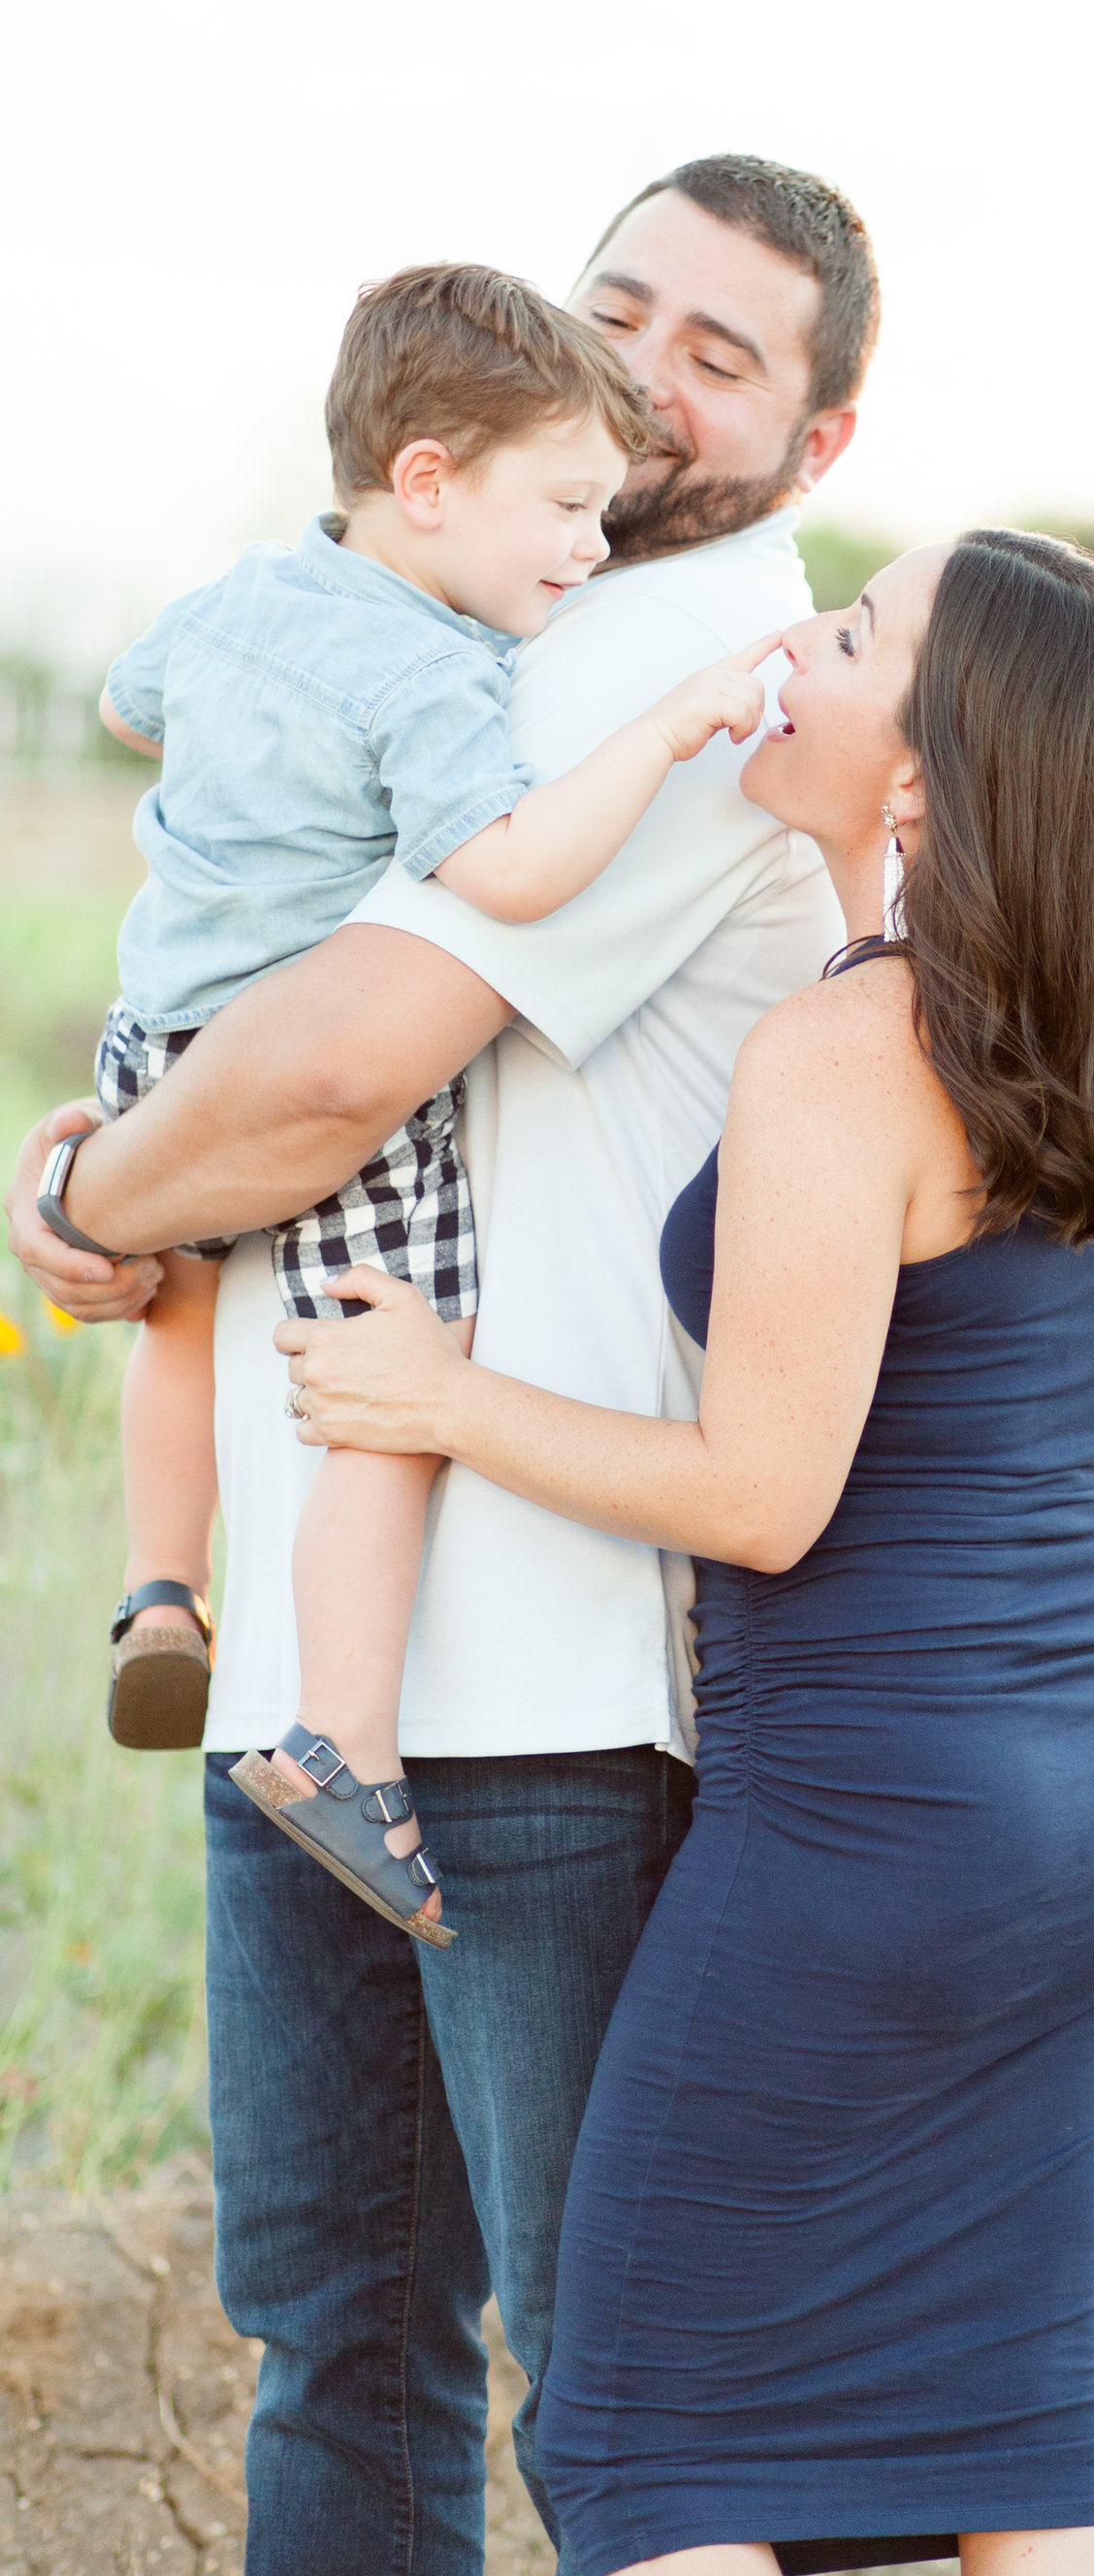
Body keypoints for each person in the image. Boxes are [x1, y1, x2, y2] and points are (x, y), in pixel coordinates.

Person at [8, 155, 877, 2576]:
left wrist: (94, 1197)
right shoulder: (489, 611)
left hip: (540, 1674)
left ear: (815, 444)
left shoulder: (685, 681)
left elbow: (325, 1072)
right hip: (328, 1666)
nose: (647, 370)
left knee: (595, 2379)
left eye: (722, 354)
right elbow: (241, 945)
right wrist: (104, 1154)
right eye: (621, 309)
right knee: (338, 2339)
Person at [277, 529, 1094, 2576]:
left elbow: (763, 1495)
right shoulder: (1080, 1034)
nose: (791, 644)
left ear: (928, 777)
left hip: (880, 1829)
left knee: (639, 2436)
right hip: (1086, 1814)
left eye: (855, 633)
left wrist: (439, 1391)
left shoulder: (841, 1057)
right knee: (1021, 2416)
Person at [84, 262, 781, 1952]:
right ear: (425, 484)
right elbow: (518, 868)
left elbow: (124, 703)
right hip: (284, 1047)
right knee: (391, 1376)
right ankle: (346, 1733)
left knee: (177, 1311)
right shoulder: (437, 674)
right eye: (562, 508)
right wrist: (671, 725)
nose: (587, 551)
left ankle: (159, 1585)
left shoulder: (246, 594)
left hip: (151, 1040)